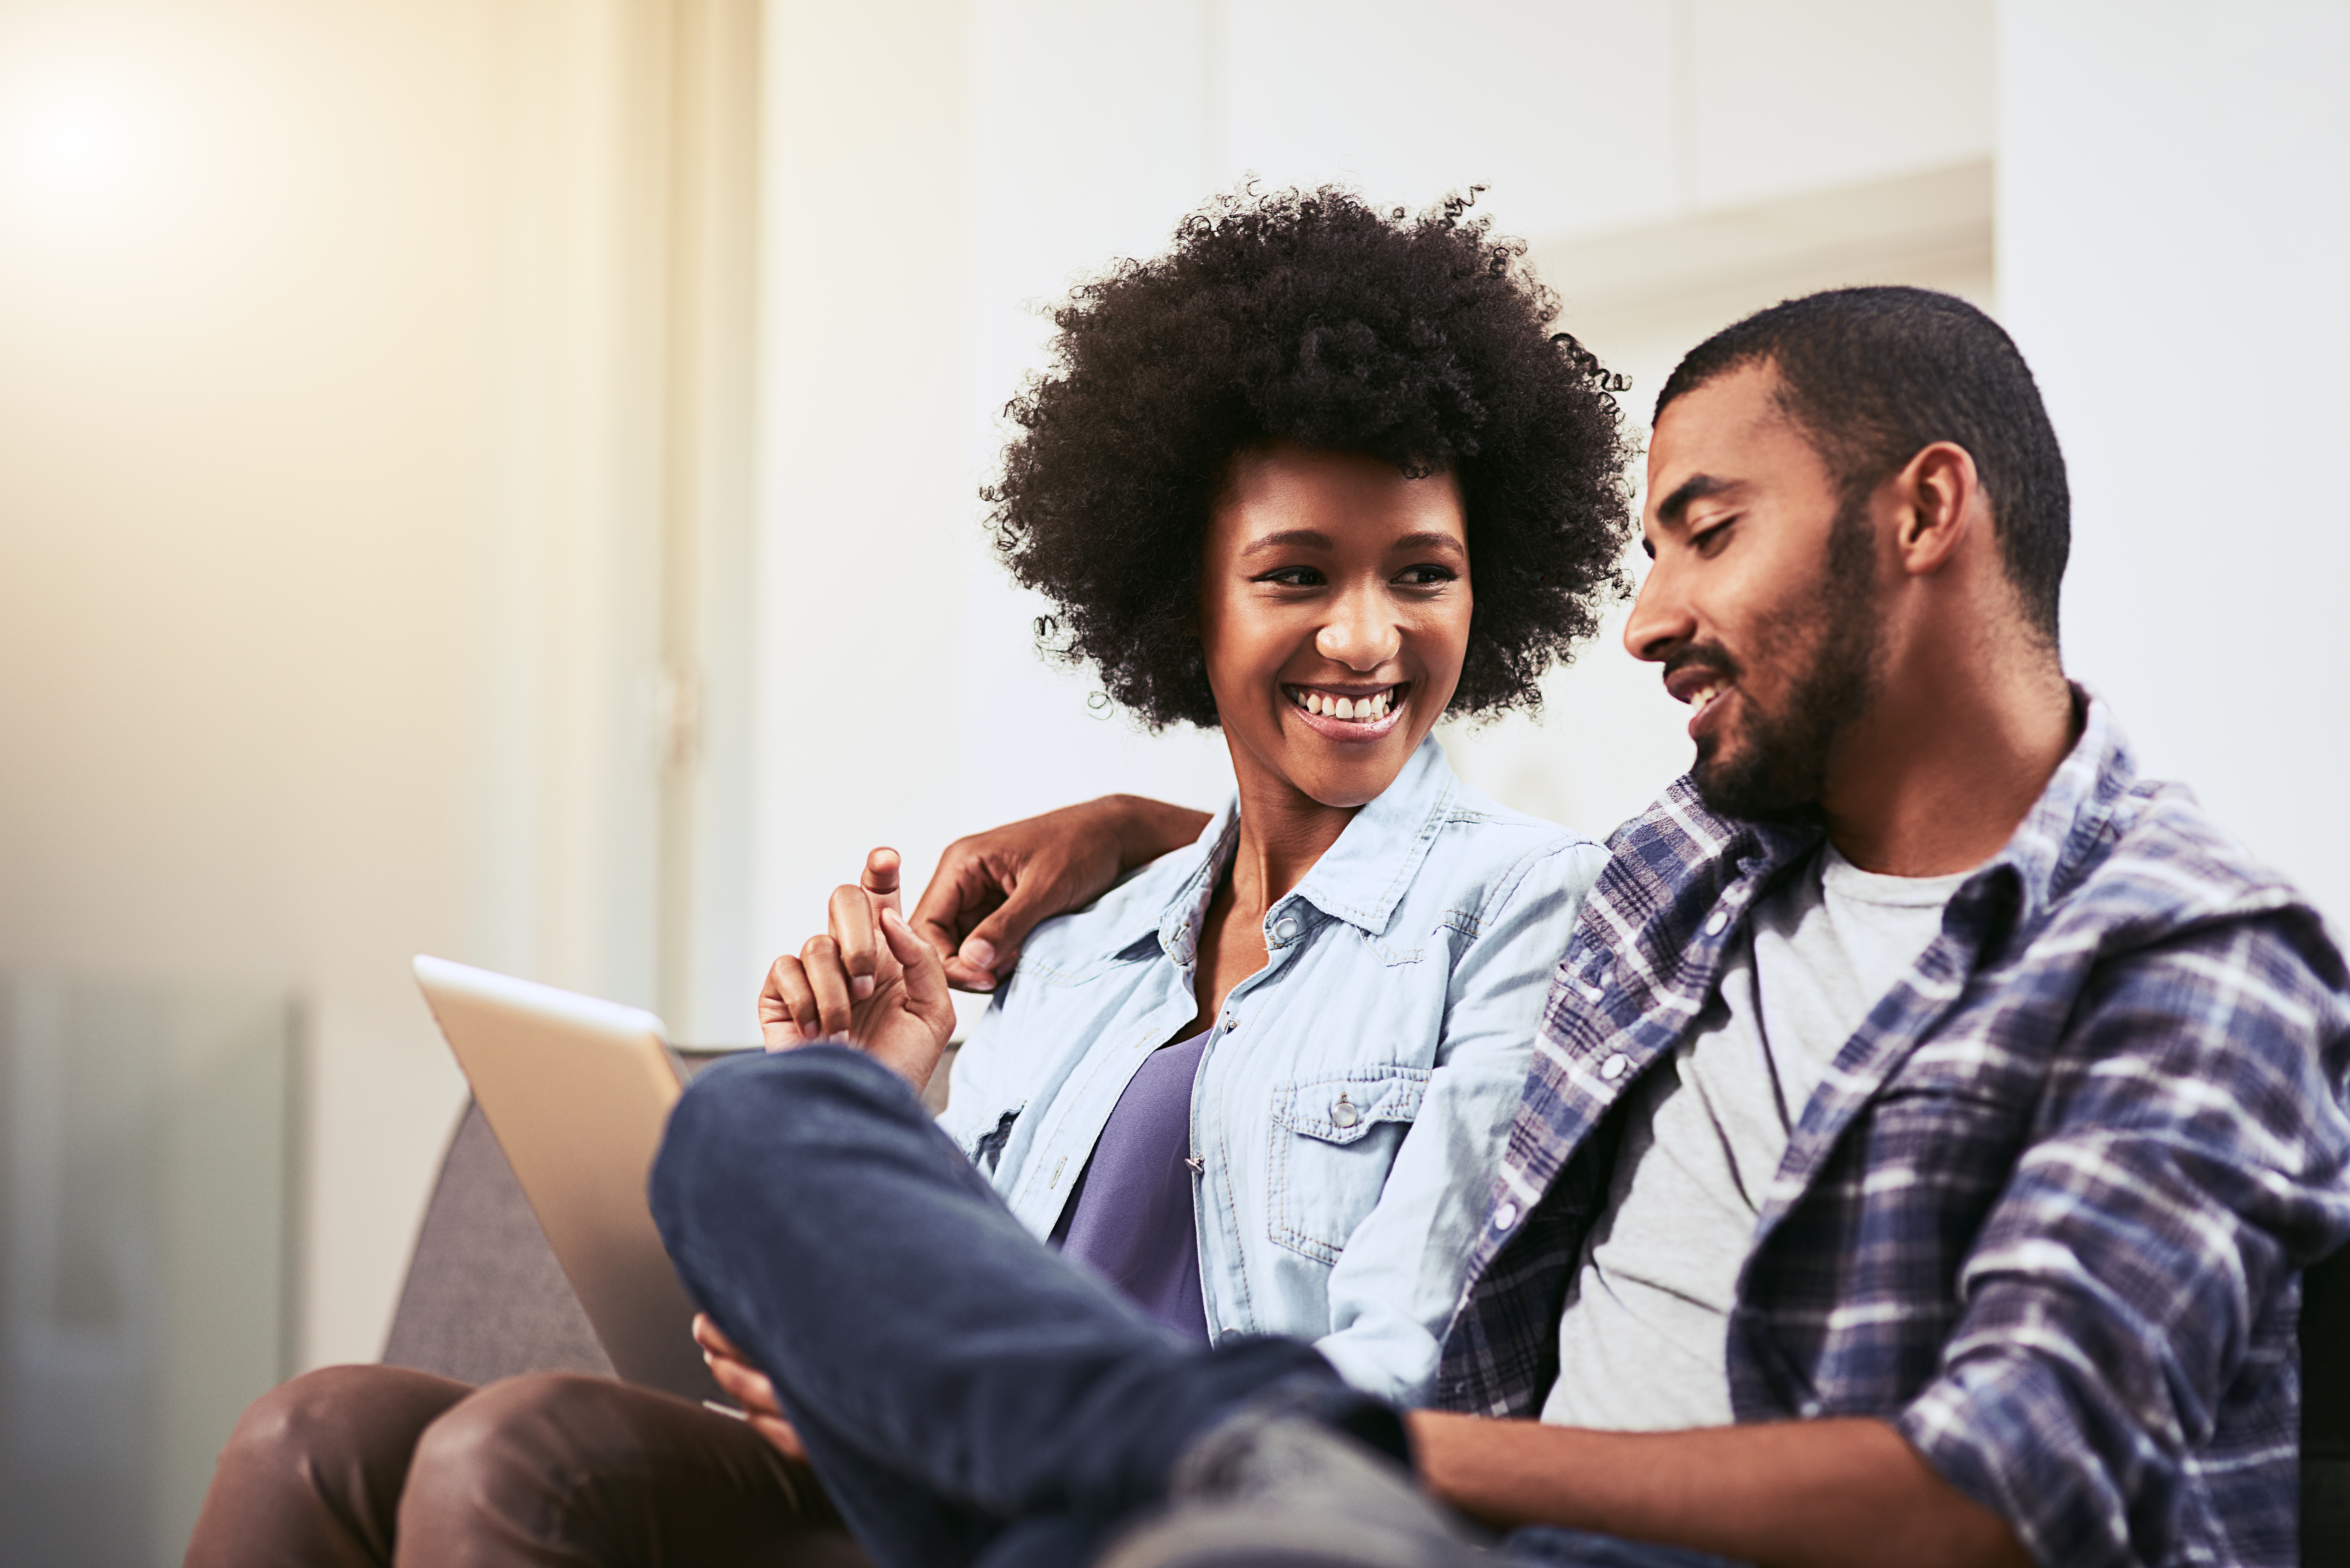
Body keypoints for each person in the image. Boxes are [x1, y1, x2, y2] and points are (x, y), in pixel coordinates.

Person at [670, 284, 2350, 1568]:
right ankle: (1123, 1461)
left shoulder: (2193, 966)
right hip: (1396, 1540)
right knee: (751, 1118)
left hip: (1443, 1519)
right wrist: (1140, 838)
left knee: (1174, 1519)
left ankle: (1127, 1455)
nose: (1643, 620)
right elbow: (1384, 876)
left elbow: (1992, 1496)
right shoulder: (1694, 870)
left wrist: (1335, 1440)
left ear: (1921, 515)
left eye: (1706, 533)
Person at [181, 184, 1633, 1565]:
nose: (1368, 639)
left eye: (1422, 573)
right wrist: (884, 1090)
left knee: (517, 1450)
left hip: (1185, 1520)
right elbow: (968, 1287)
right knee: (320, 1429)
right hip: (942, 1493)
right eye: (1297, 575)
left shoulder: (1525, 910)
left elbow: (1405, 1373)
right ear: (1182, 598)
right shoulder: (1093, 932)